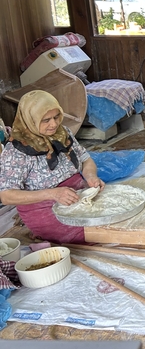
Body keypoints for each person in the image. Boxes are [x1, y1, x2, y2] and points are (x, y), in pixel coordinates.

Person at [0, 90, 104, 244]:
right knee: (95, 232)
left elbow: (85, 159)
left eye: (56, 117)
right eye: (46, 120)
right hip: (44, 209)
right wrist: (53, 194)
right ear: (31, 120)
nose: (54, 124)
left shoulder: (62, 133)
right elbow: (7, 196)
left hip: (78, 195)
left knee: (111, 216)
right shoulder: (16, 151)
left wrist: (90, 176)